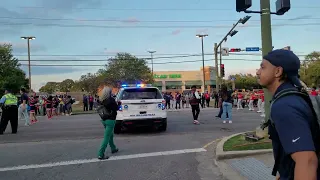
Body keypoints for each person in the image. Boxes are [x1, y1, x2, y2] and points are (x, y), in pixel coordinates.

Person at [257, 49, 320, 180]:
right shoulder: (294, 96)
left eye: (263, 67)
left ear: (278, 72)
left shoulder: (284, 105)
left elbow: (307, 161)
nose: (258, 72)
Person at [97, 86, 119, 160]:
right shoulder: (111, 100)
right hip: (111, 120)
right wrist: (118, 104)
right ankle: (100, 153)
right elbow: (116, 108)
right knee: (106, 137)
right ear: (109, 92)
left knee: (110, 135)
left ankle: (113, 148)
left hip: (104, 119)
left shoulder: (101, 100)